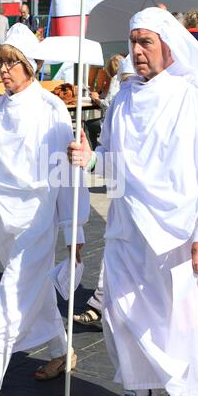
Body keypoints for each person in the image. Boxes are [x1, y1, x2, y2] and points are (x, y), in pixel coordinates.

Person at [68, 7, 198, 396]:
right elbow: (111, 162)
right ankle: (139, 387)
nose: (138, 50)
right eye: (133, 42)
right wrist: (90, 157)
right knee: (120, 313)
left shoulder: (193, 95)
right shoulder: (125, 98)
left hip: (177, 235)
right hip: (128, 228)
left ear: (168, 47)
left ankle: (184, 390)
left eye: (146, 42)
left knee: (176, 324)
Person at [0, 23, 89, 396]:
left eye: (12, 63)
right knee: (33, 286)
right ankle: (62, 351)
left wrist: (74, 233)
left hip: (38, 216)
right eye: (1, 62)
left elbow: (66, 176)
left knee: (14, 289)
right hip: (0, 213)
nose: (4, 69)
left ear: (30, 66)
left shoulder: (51, 110)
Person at [73, 56, 135, 328]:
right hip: (125, 200)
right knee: (115, 246)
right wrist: (91, 158)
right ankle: (100, 300)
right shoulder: (121, 105)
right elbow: (107, 156)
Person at [85, 54, 125, 150]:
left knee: (88, 125)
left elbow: (108, 105)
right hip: (121, 119)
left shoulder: (115, 79)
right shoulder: (126, 79)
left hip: (111, 122)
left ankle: (93, 154)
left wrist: (97, 100)